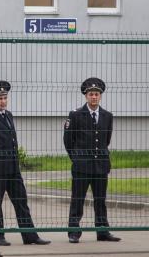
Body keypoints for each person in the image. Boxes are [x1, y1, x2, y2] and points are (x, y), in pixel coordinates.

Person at [0, 80, 50, 246]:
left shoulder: (8, 115)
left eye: (5, 98)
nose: (3, 101)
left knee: (21, 201)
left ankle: (30, 235)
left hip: (13, 168)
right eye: (0, 98)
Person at [63, 77, 121, 244]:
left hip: (100, 166)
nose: (94, 97)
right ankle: (74, 231)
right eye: (91, 94)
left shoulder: (107, 116)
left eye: (96, 94)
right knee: (77, 200)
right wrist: (76, 158)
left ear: (100, 96)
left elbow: (106, 140)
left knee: (100, 200)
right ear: (86, 96)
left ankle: (102, 231)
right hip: (82, 166)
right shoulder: (75, 115)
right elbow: (68, 140)